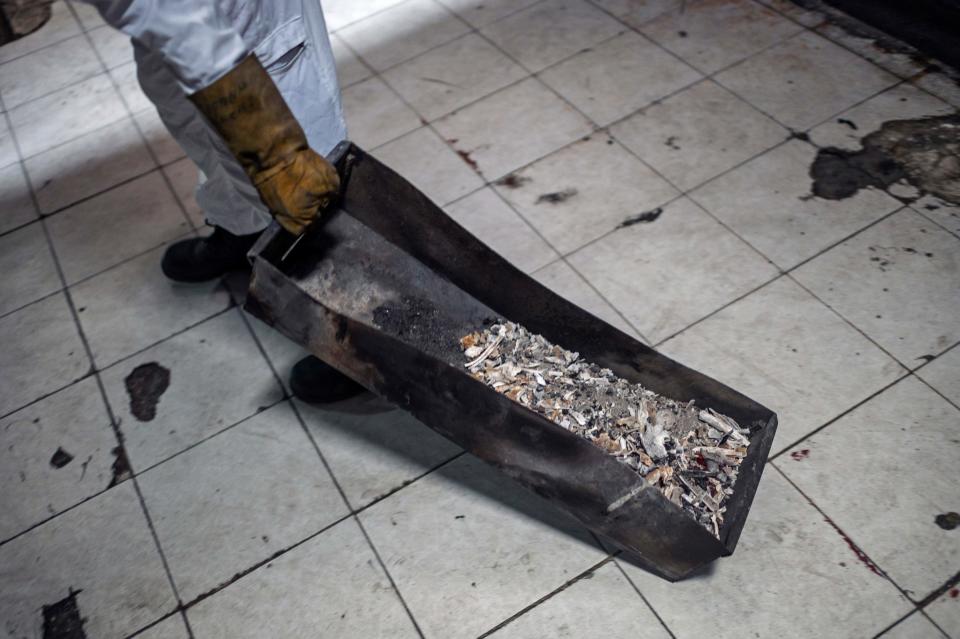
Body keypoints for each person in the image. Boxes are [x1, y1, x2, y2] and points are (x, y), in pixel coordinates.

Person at [80, 0, 364, 402]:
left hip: (243, 13)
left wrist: (275, 152)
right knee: (195, 118)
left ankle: (362, 332)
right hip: (167, 18)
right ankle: (243, 227)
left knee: (305, 167)